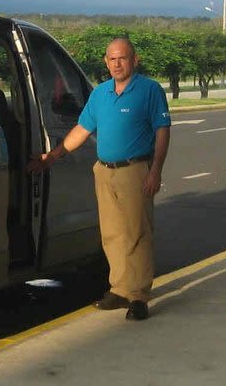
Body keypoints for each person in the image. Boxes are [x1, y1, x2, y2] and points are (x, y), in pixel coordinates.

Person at [27, 37, 171, 321]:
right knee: (112, 234)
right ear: (106, 62)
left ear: (134, 60)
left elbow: (162, 130)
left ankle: (139, 296)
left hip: (135, 170)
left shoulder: (150, 90)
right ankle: (119, 289)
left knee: (137, 233)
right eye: (112, 59)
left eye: (123, 58)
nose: (117, 64)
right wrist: (52, 156)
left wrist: (156, 170)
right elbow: (82, 129)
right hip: (104, 171)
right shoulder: (100, 94)